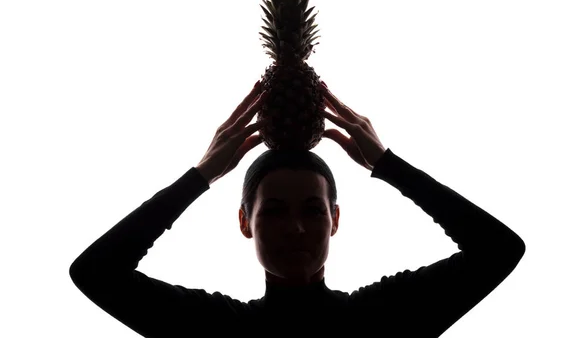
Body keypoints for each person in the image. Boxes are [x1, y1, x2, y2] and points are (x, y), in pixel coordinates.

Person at [69, 80, 526, 337]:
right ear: (245, 222)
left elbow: (499, 250)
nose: (297, 229)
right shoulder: (218, 332)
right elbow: (94, 273)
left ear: (336, 219)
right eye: (273, 212)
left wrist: (389, 164)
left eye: (313, 210)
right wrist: (200, 175)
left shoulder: (381, 319)